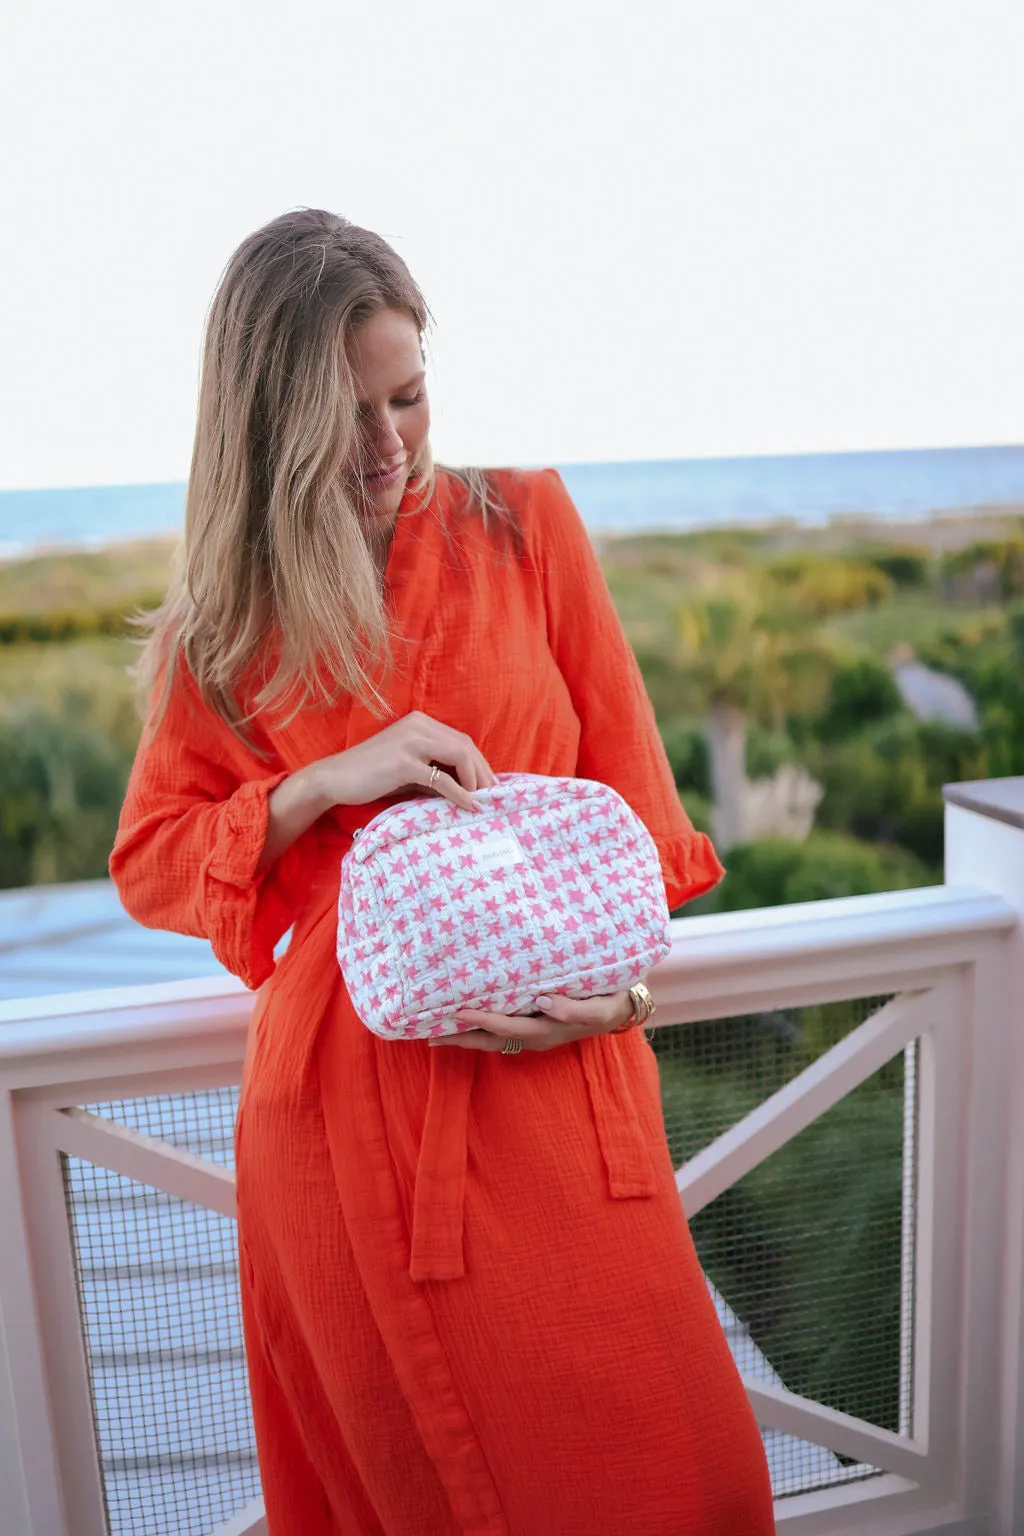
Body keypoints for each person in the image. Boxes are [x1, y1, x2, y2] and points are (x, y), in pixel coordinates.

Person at [110, 208, 775, 1535]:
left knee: (683, 1473)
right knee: (427, 1491)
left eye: (408, 397)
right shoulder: (226, 626)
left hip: (569, 1084)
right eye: (343, 417)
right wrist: (320, 784)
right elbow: (151, 860)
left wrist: (627, 1000)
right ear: (267, 428)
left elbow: (637, 817)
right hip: (345, 1112)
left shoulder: (527, 526)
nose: (387, 445)